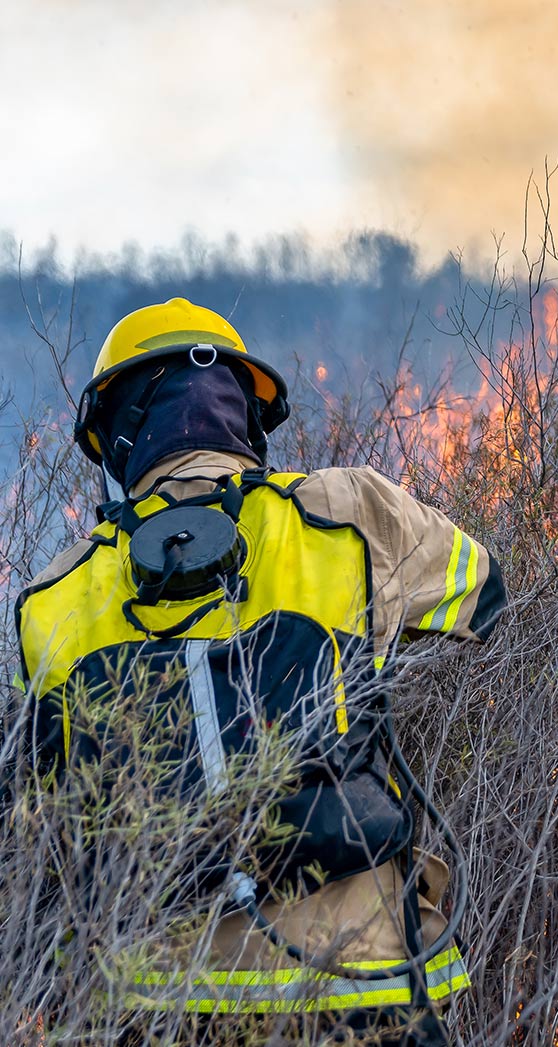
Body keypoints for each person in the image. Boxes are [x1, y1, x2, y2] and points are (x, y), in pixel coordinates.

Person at [13, 298, 505, 1043]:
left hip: (156, 1002)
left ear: (117, 440)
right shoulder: (349, 515)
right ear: (247, 417)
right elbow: (486, 594)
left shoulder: (52, 601)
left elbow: (39, 821)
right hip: (360, 981)